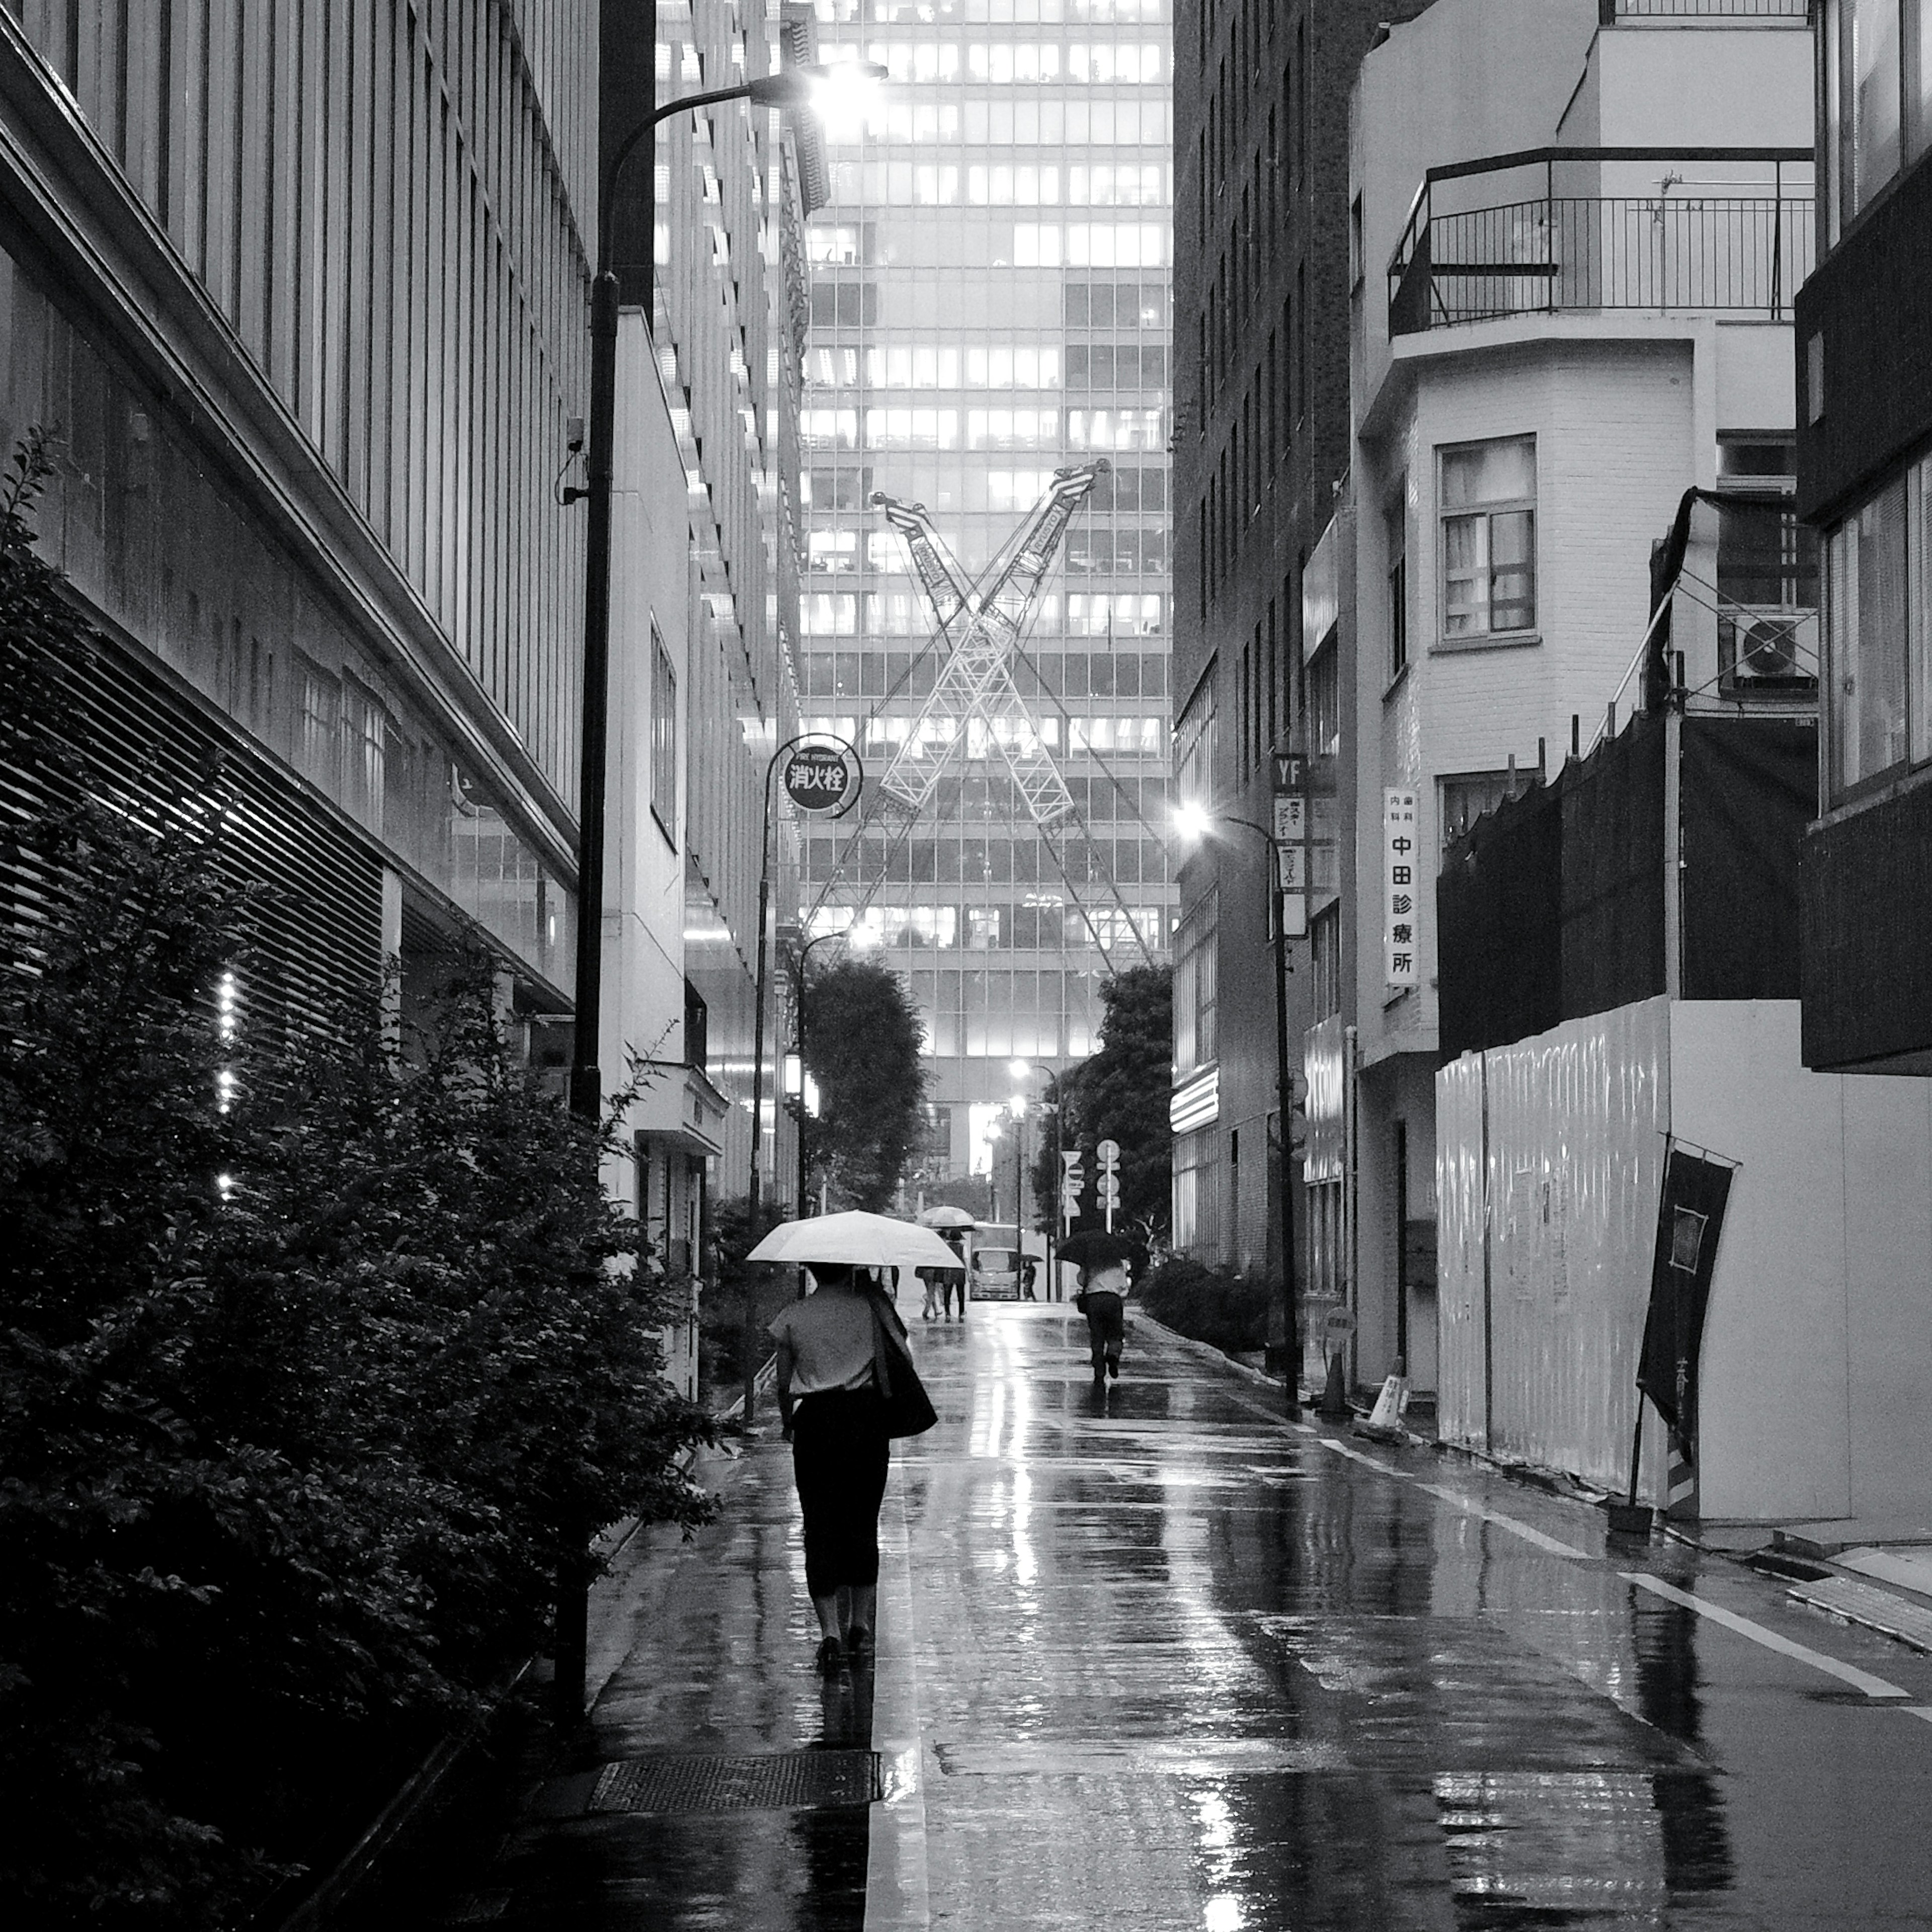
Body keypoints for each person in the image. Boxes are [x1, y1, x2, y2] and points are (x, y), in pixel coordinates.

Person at [770, 1263, 894, 1676]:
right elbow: (902, 1360)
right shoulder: (872, 1310)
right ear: (850, 1269)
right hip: (865, 1420)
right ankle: (860, 1624)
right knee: (863, 1521)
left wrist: (790, 1421)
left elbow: (782, 1383)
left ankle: (830, 1635)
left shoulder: (793, 1314)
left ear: (812, 1270)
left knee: (819, 1525)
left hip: (817, 1423)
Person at [1078, 1252, 1130, 1389]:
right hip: (1113, 1300)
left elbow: (1081, 1280)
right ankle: (1113, 1355)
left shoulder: (1091, 1261)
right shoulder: (1118, 1263)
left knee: (1097, 1336)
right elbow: (1124, 1286)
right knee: (1116, 1333)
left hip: (1094, 1300)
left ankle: (1099, 1370)